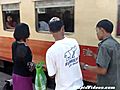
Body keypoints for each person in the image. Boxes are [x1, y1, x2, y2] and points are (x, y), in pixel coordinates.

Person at [46, 17, 83, 90]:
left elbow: (51, 74)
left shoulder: (51, 52)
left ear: (50, 31)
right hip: (79, 85)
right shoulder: (74, 42)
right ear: (63, 28)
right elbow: (77, 59)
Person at [81, 19, 120, 90]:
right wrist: (93, 55)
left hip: (107, 84)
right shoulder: (115, 43)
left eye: (97, 31)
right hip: (116, 83)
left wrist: (84, 66)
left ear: (102, 30)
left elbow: (102, 70)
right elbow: (108, 62)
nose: (97, 34)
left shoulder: (104, 46)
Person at [12, 23, 34, 90]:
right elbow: (27, 64)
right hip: (23, 76)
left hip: (15, 74)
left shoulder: (14, 44)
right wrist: (33, 65)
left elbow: (16, 59)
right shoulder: (24, 48)